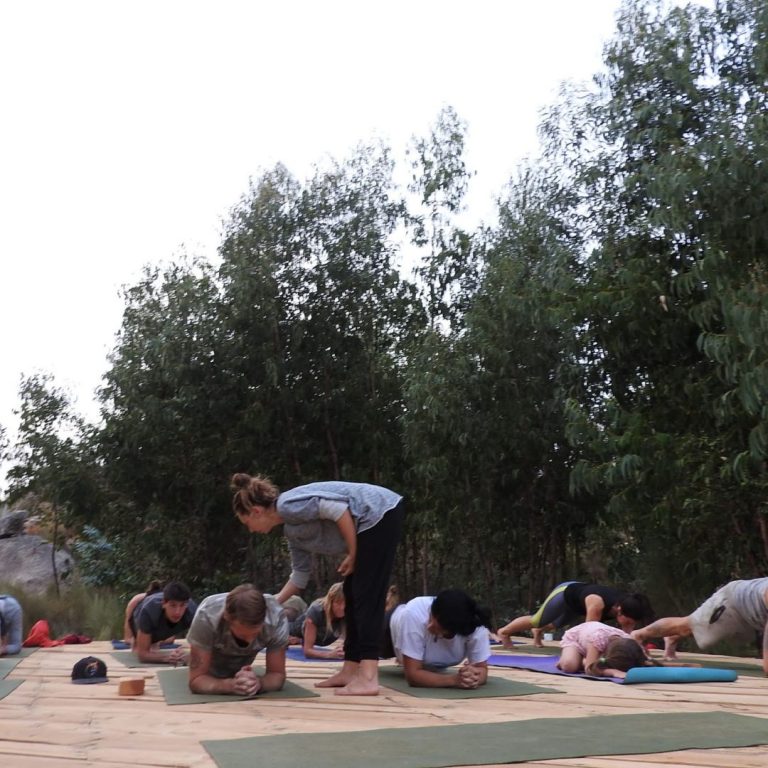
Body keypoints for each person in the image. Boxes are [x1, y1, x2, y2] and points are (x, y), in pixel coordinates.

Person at [231, 474, 405, 696]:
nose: (251, 529)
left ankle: (369, 677)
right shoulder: (291, 531)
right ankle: (350, 670)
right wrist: (270, 603)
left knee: (366, 596)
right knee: (352, 594)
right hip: (368, 524)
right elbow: (299, 577)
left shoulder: (287, 505)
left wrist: (353, 553)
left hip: (379, 512)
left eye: (247, 523)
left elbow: (338, 510)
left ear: (256, 511)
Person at [631, 577, 768, 674]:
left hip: (752, 609)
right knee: (687, 626)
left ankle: (672, 638)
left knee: (692, 630)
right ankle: (639, 634)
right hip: (731, 601)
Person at [186, 583, 287, 695]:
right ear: (227, 618)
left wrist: (259, 683)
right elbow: (196, 680)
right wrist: (229, 686)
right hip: (210, 669)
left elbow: (277, 674)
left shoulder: (275, 617)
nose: (249, 641)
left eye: (255, 634)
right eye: (242, 637)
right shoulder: (207, 616)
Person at [383, 589, 492, 689]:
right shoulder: (413, 614)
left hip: (428, 662)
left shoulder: (475, 627)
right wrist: (454, 680)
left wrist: (473, 677)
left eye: (438, 629)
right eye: (430, 617)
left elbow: (482, 670)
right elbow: (413, 676)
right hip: (387, 633)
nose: (429, 626)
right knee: (367, 646)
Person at [497, 581, 654, 648]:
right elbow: (587, 634)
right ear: (619, 611)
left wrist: (636, 645)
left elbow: (627, 634)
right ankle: (504, 632)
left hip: (579, 604)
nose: (629, 626)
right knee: (538, 620)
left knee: (553, 625)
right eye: (628, 622)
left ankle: (538, 633)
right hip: (565, 594)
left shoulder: (627, 605)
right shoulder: (597, 604)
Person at [558, 620, 667, 678]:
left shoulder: (631, 643)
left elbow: (647, 659)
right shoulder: (597, 640)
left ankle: (585, 659)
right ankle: (578, 659)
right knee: (570, 666)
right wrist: (612, 671)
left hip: (597, 640)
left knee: (593, 662)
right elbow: (589, 669)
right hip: (577, 638)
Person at [132, 581, 197, 664]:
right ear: (163, 603)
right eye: (173, 605)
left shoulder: (193, 612)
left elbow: (201, 652)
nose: (178, 612)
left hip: (164, 628)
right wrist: (167, 657)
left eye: (182, 605)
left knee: (169, 640)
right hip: (138, 615)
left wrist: (188, 656)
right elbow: (142, 655)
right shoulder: (149, 610)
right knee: (137, 645)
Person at [289, 582, 346, 659]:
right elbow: (308, 651)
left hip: (320, 639)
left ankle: (298, 640)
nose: (342, 607)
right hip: (293, 630)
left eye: (346, 603)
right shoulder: (316, 610)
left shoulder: (350, 611)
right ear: (331, 601)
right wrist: (329, 655)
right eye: (338, 603)